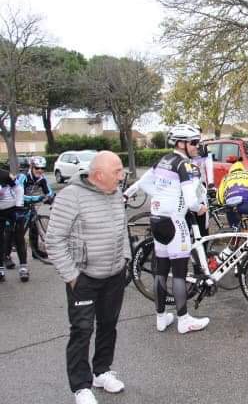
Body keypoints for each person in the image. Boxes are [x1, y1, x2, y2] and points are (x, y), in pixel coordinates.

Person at [45, 151, 129, 404]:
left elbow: (121, 227)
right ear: (98, 175)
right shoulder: (71, 196)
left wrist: (125, 256)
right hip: (84, 278)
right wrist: (72, 277)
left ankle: (102, 372)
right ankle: (81, 386)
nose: (122, 175)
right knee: (82, 330)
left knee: (108, 325)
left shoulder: (114, 193)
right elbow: (54, 240)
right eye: (117, 171)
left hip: (114, 274)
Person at [145, 124, 210, 334]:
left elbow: (144, 183)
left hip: (156, 219)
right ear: (181, 143)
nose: (196, 147)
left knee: (161, 272)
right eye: (193, 143)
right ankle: (184, 320)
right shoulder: (184, 165)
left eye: (197, 142)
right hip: (175, 222)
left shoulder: (163, 160)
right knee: (179, 274)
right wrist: (200, 208)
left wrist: (162, 197)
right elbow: (192, 201)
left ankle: (161, 318)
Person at [17, 156, 55, 266]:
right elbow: (19, 195)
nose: (40, 170)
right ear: (31, 167)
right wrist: (37, 198)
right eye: (37, 168)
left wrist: (51, 199)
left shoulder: (41, 178)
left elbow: (49, 191)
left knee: (34, 226)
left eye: (42, 168)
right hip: (17, 203)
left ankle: (36, 251)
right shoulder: (23, 177)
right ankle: (6, 255)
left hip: (29, 203)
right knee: (15, 230)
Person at [0, 169, 24, 282]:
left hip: (12, 209)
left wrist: (19, 207)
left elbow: (19, 189)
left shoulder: (5, 175)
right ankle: (0, 270)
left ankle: (23, 267)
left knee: (19, 238)